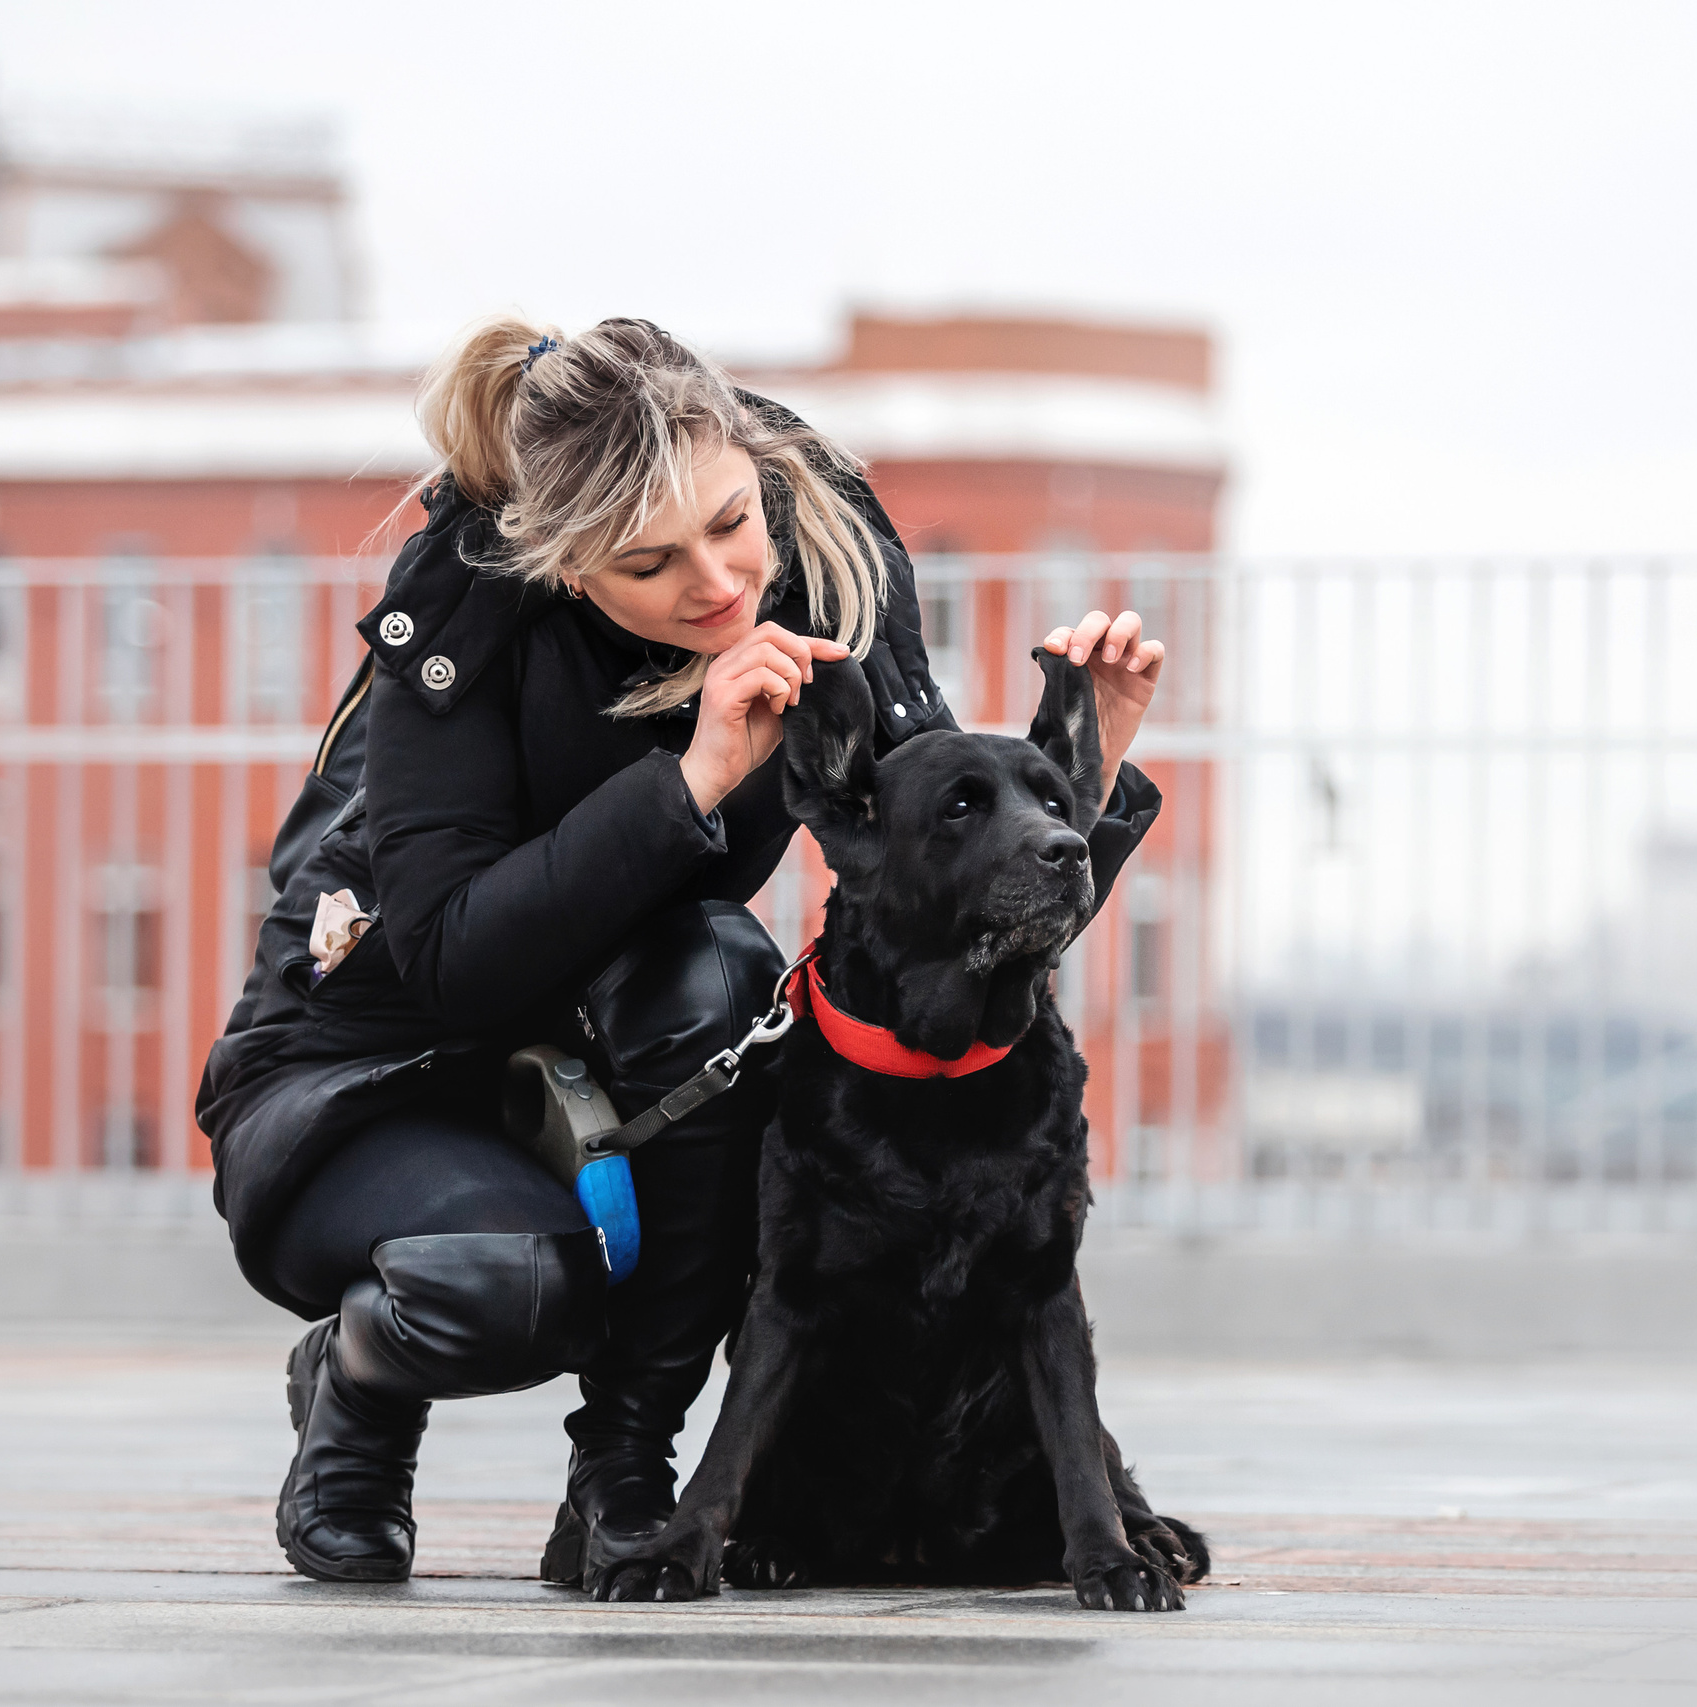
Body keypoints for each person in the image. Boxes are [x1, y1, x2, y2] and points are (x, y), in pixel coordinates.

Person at [195, 315, 1169, 1585]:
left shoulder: (828, 562)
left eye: (729, 522)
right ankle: (360, 1397)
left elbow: (924, 901)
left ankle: (625, 1469)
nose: (715, 582)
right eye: (649, 563)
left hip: (625, 1040)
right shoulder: (463, 617)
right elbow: (449, 963)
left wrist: (1087, 770)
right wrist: (694, 778)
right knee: (510, 1285)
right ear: (560, 565)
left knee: (717, 978)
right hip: (381, 1063)